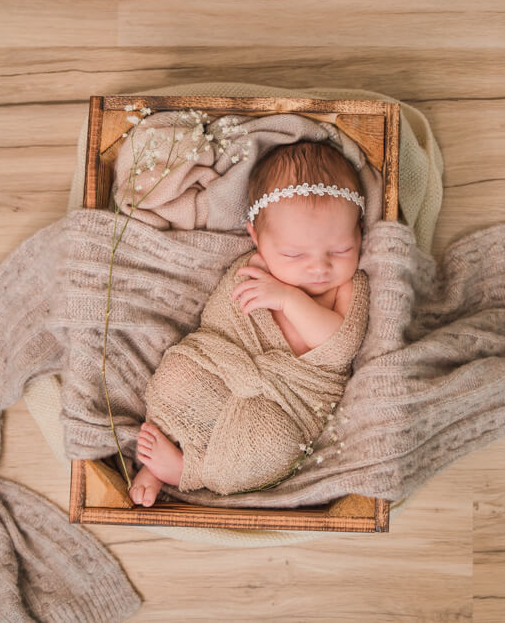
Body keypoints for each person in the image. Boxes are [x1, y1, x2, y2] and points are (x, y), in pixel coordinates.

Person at [129, 141, 370, 507]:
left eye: (340, 250)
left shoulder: (347, 287)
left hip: (288, 404)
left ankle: (186, 473)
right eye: (294, 254)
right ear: (257, 238)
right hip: (228, 369)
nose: (319, 267)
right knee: (179, 375)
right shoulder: (253, 268)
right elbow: (218, 329)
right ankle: (171, 448)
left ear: (359, 234)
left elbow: (339, 345)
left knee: (276, 447)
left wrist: (289, 299)